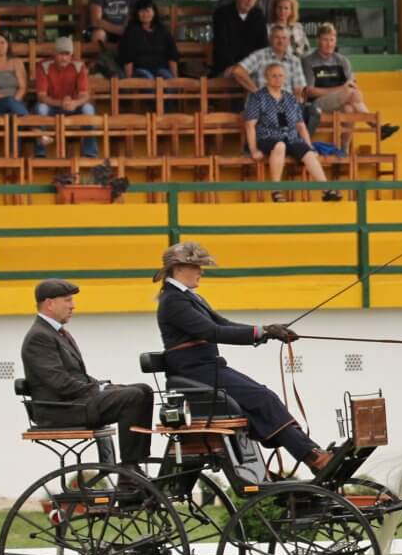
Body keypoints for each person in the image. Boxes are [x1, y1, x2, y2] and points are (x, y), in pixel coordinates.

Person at [154, 241, 339, 478]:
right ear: (179, 268)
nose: (201, 272)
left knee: (261, 398)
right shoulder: (173, 301)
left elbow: (224, 325)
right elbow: (212, 332)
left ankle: (307, 454)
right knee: (263, 398)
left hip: (207, 369)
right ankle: (312, 456)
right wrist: (262, 331)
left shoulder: (189, 297)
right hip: (196, 372)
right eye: (197, 267)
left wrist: (267, 332)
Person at [20, 279, 153, 468]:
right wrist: (97, 390)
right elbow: (59, 382)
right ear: (49, 304)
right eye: (67, 300)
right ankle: (129, 468)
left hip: (75, 402)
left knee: (144, 390)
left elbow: (77, 376)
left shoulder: (56, 333)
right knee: (132, 397)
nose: (73, 306)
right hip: (61, 409)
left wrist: (105, 387)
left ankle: (136, 462)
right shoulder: (39, 337)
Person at [245, 63, 342, 202]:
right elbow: (249, 124)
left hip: (290, 138)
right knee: (280, 146)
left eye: (281, 75)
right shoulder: (259, 97)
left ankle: (326, 191)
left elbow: (301, 126)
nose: (278, 79)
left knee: (308, 153)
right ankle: (276, 191)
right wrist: (254, 150)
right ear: (266, 78)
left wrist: (309, 146)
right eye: (274, 76)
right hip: (268, 137)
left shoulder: (290, 98)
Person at [302, 23, 398, 146]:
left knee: (350, 108)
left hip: (341, 102)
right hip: (317, 104)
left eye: (332, 39)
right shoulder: (308, 61)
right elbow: (310, 91)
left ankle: (344, 149)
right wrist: (341, 90)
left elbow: (353, 87)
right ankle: (376, 126)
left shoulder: (342, 60)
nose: (329, 43)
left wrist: (351, 92)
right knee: (348, 92)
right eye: (325, 39)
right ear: (318, 40)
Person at [35, 37, 97, 158]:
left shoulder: (79, 66)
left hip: (73, 107)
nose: (64, 57)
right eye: (60, 54)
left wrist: (74, 103)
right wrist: (60, 103)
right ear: (54, 54)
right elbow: (41, 96)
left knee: (88, 109)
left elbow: (84, 95)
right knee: (40, 108)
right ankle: (40, 153)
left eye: (66, 54)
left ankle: (90, 153)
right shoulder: (43, 66)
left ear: (71, 54)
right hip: (52, 107)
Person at [232, 25, 306, 100]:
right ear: (270, 39)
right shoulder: (259, 55)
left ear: (288, 41)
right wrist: (256, 91)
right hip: (262, 104)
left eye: (284, 38)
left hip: (285, 105)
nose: (280, 41)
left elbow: (299, 89)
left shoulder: (294, 61)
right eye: (277, 37)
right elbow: (238, 71)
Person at [117, 0, 180, 80]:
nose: (145, 14)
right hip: (140, 69)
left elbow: (172, 55)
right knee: (148, 80)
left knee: (168, 80)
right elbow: (127, 57)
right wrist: (129, 81)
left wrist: (175, 79)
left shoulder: (163, 30)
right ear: (137, 13)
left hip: (161, 68)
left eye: (148, 11)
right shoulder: (131, 31)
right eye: (141, 11)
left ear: (154, 12)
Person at [212, 0, 268, 78]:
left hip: (252, 66)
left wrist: (248, 66)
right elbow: (221, 46)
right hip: (227, 67)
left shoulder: (258, 14)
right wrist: (238, 67)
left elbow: (262, 46)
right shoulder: (221, 14)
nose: (250, 1)